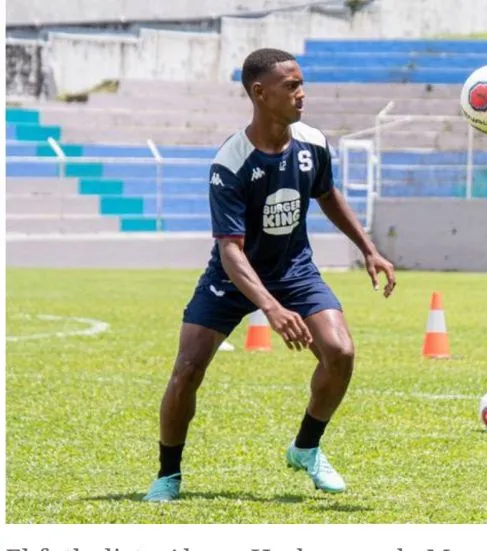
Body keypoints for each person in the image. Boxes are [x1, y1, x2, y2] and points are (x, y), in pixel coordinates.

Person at [143, 48, 396, 502]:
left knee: (339, 352)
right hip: (232, 279)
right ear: (260, 93)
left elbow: (327, 194)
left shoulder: (312, 142)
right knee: (186, 369)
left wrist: (369, 249)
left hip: (294, 270)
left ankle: (306, 447)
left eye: (301, 83)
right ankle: (168, 475)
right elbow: (231, 252)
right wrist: (271, 308)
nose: (302, 94)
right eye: (292, 85)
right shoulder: (231, 162)